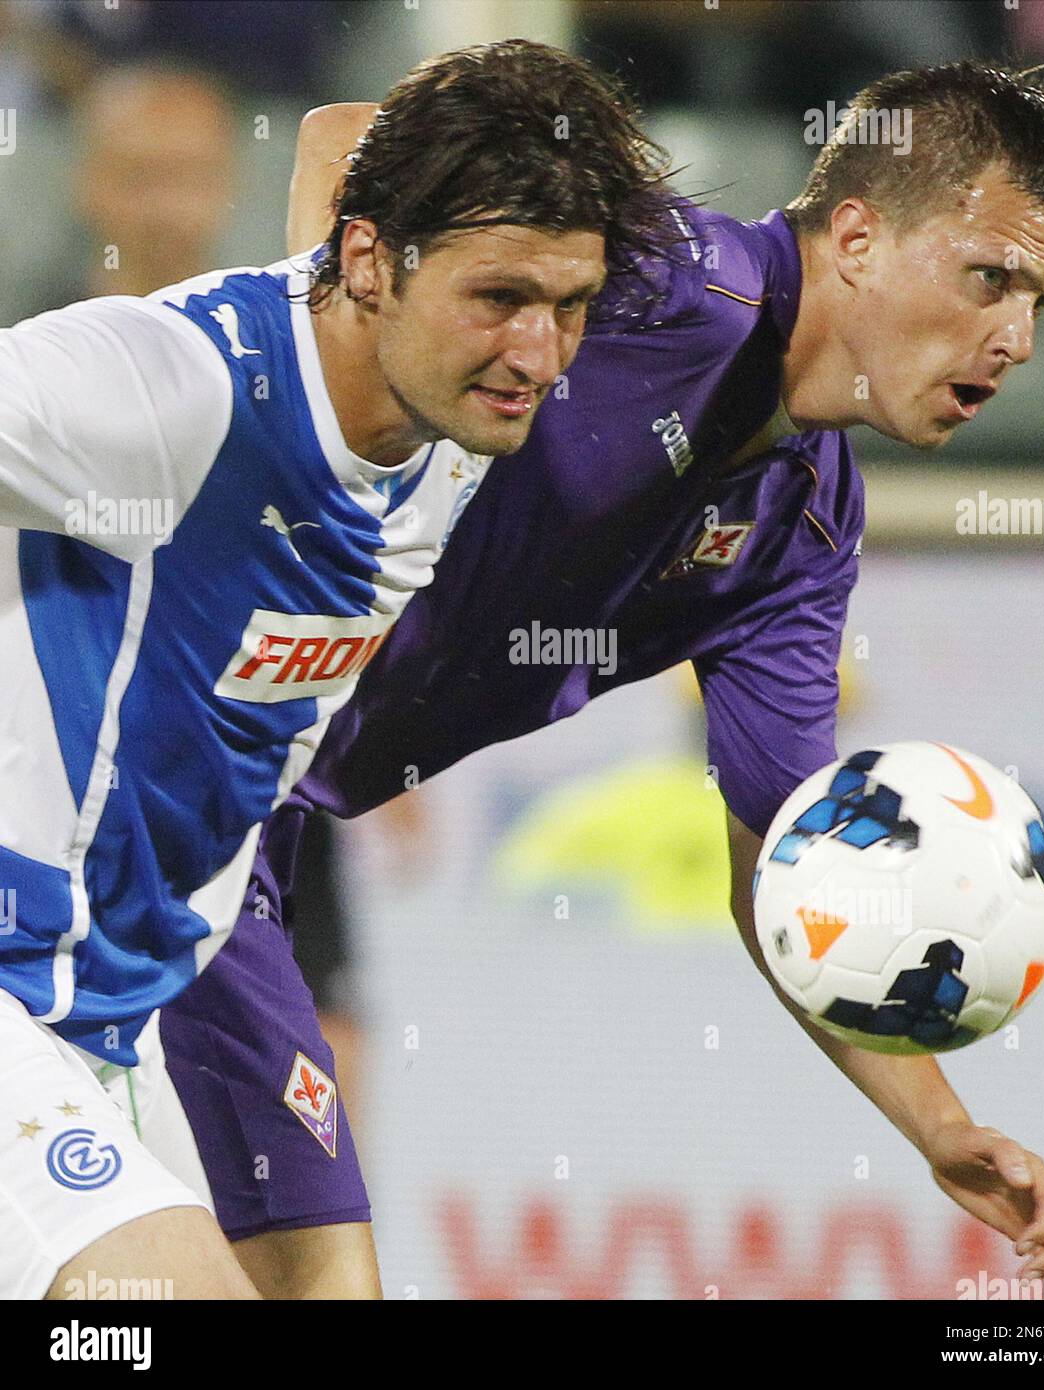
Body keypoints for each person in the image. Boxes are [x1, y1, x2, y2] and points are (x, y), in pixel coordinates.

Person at [162, 59, 1044, 1301]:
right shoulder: (668, 278)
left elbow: (783, 875)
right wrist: (334, 478)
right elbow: (345, 141)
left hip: (241, 828)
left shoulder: (802, 533)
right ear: (860, 238)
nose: (1016, 338)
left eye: (1040, 299)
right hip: (143, 736)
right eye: (992, 277)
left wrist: (939, 1127)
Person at [0, 38, 675, 1301]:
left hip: (139, 1008)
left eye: (571, 304)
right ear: (368, 261)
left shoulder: (453, 408)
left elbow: (340, 139)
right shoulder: (161, 389)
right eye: (501, 297)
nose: (541, 352)